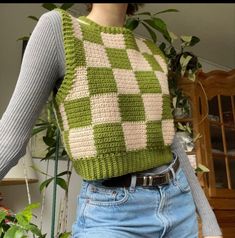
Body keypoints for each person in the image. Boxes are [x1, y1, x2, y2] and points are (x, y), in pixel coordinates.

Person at [0, 3, 222, 238]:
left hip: (179, 204)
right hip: (111, 215)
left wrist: (208, 219)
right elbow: (10, 139)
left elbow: (170, 140)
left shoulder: (151, 52)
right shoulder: (60, 30)